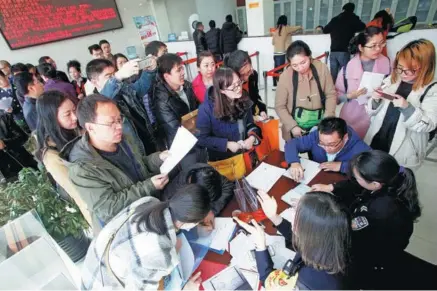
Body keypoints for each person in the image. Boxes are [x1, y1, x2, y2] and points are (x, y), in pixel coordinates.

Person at [312, 150, 421, 289]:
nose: (354, 179)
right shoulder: (388, 180)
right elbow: (357, 184)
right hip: (378, 235)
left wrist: (317, 213)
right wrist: (331, 187)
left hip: (373, 252)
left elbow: (348, 229)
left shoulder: (380, 209)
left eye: (357, 177)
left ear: (375, 184)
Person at [60, 94, 169, 229]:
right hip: (128, 226)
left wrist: (159, 158)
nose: (119, 126)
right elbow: (109, 209)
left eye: (119, 119)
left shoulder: (123, 140)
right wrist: (149, 186)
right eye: (111, 122)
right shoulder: (82, 169)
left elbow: (140, 165)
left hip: (150, 206)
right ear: (90, 127)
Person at [80, 184, 209, 290]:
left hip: (93, 268)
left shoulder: (149, 201)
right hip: (104, 285)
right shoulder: (161, 252)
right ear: (189, 223)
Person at [234, 190, 350, 290]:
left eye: (296, 213)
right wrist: (274, 217)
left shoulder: (307, 279)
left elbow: (270, 283)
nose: (292, 215)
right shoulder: (335, 239)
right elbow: (301, 241)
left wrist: (260, 246)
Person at [365, 39, 437, 170]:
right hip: (379, 138)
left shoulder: (432, 89)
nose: (402, 74)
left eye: (409, 70)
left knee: (396, 181)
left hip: (405, 148)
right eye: (399, 68)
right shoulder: (393, 78)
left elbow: (429, 125)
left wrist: (407, 108)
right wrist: (375, 100)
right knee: (372, 173)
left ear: (425, 67)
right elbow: (373, 112)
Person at [35, 90, 92, 227]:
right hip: (96, 207)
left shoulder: (76, 130)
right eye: (67, 114)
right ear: (52, 119)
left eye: (74, 110)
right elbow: (78, 192)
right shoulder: (52, 156)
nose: (75, 117)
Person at [86, 58, 157, 154]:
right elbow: (105, 96)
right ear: (94, 82)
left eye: (113, 74)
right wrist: (117, 76)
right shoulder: (95, 105)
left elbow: (140, 88)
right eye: (108, 76)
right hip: (133, 151)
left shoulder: (122, 87)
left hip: (147, 139)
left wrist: (149, 71)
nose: (112, 79)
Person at [275, 40, 337, 141]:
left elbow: (331, 95)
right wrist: (293, 126)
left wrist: (327, 120)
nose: (300, 68)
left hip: (319, 126)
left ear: (310, 56)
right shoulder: (286, 76)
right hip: (295, 128)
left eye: (303, 62)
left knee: (317, 155)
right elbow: (279, 106)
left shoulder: (322, 68)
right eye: (294, 65)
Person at [197, 67, 262, 162]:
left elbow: (249, 123)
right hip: (222, 160)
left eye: (239, 83)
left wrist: (252, 137)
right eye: (233, 87)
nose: (239, 88)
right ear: (222, 90)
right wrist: (226, 144)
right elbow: (201, 138)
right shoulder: (206, 109)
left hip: (243, 155)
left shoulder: (243, 97)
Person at [336, 26, 391, 138]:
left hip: (378, 117)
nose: (378, 49)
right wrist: (349, 96)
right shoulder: (347, 69)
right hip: (353, 118)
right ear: (361, 48)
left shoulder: (388, 63)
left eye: (381, 44)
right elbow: (336, 97)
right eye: (373, 46)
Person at [286, 117, 370, 180]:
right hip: (317, 177)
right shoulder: (316, 136)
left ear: (345, 137)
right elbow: (292, 143)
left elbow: (371, 169)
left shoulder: (358, 146)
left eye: (331, 145)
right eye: (322, 144)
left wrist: (342, 166)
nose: (326, 149)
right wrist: (294, 162)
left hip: (340, 184)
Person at [163, 163, 234, 229]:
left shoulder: (206, 173)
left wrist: (212, 210)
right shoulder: (174, 196)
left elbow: (228, 186)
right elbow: (177, 224)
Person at [152, 53, 199, 148]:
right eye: (178, 70)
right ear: (166, 76)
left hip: (197, 135)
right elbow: (174, 131)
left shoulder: (187, 86)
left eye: (182, 68)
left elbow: (198, 109)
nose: (183, 72)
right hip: (180, 145)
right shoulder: (162, 101)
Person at [323, 2, 366, 81]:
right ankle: (345, 92)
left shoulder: (335, 19)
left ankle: (333, 91)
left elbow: (325, 30)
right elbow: (363, 26)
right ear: (353, 10)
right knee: (345, 74)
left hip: (333, 50)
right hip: (344, 50)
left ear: (343, 9)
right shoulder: (352, 18)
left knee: (333, 75)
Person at [225, 50, 267, 119]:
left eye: (249, 71)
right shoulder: (229, 85)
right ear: (235, 73)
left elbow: (255, 96)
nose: (247, 77)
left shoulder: (253, 75)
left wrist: (262, 110)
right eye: (243, 74)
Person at [0, 109, 37, 181]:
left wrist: (5, 143)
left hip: (25, 161)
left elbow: (23, 137)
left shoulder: (4, 118)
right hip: (9, 175)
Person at [271, 15, 302, 87]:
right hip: (281, 53)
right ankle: (280, 86)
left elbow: (273, 42)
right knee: (280, 70)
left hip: (275, 53)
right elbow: (293, 28)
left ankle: (274, 85)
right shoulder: (285, 28)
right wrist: (300, 26)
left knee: (276, 69)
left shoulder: (276, 30)